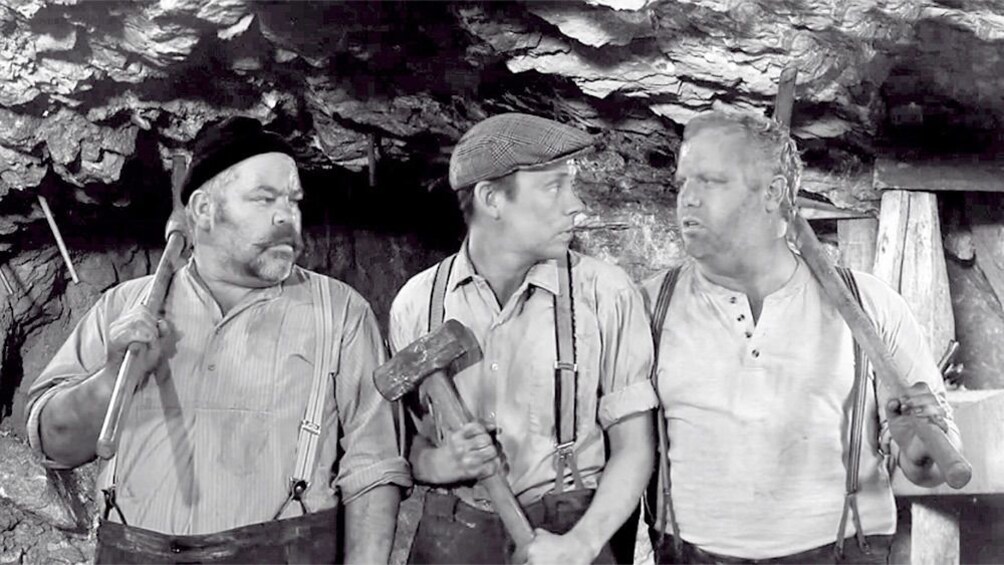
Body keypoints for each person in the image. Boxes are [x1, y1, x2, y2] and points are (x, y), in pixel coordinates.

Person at [25, 116, 409, 564]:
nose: (288, 217)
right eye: (265, 199)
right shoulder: (126, 308)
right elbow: (54, 446)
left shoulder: (341, 313)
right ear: (204, 211)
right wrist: (112, 378)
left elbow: (375, 468)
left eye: (293, 201)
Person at [642, 110, 962, 564]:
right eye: (681, 183)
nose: (687, 200)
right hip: (690, 554)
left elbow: (926, 469)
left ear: (773, 193)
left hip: (841, 551)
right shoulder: (647, 306)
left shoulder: (868, 305)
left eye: (710, 182)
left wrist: (916, 446)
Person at [389, 113, 657, 564]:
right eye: (554, 188)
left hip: (569, 527)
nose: (577, 205)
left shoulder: (604, 295)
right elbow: (409, 447)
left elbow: (634, 447)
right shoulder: (417, 304)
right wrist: (442, 464)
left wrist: (581, 544)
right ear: (492, 198)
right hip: (455, 532)